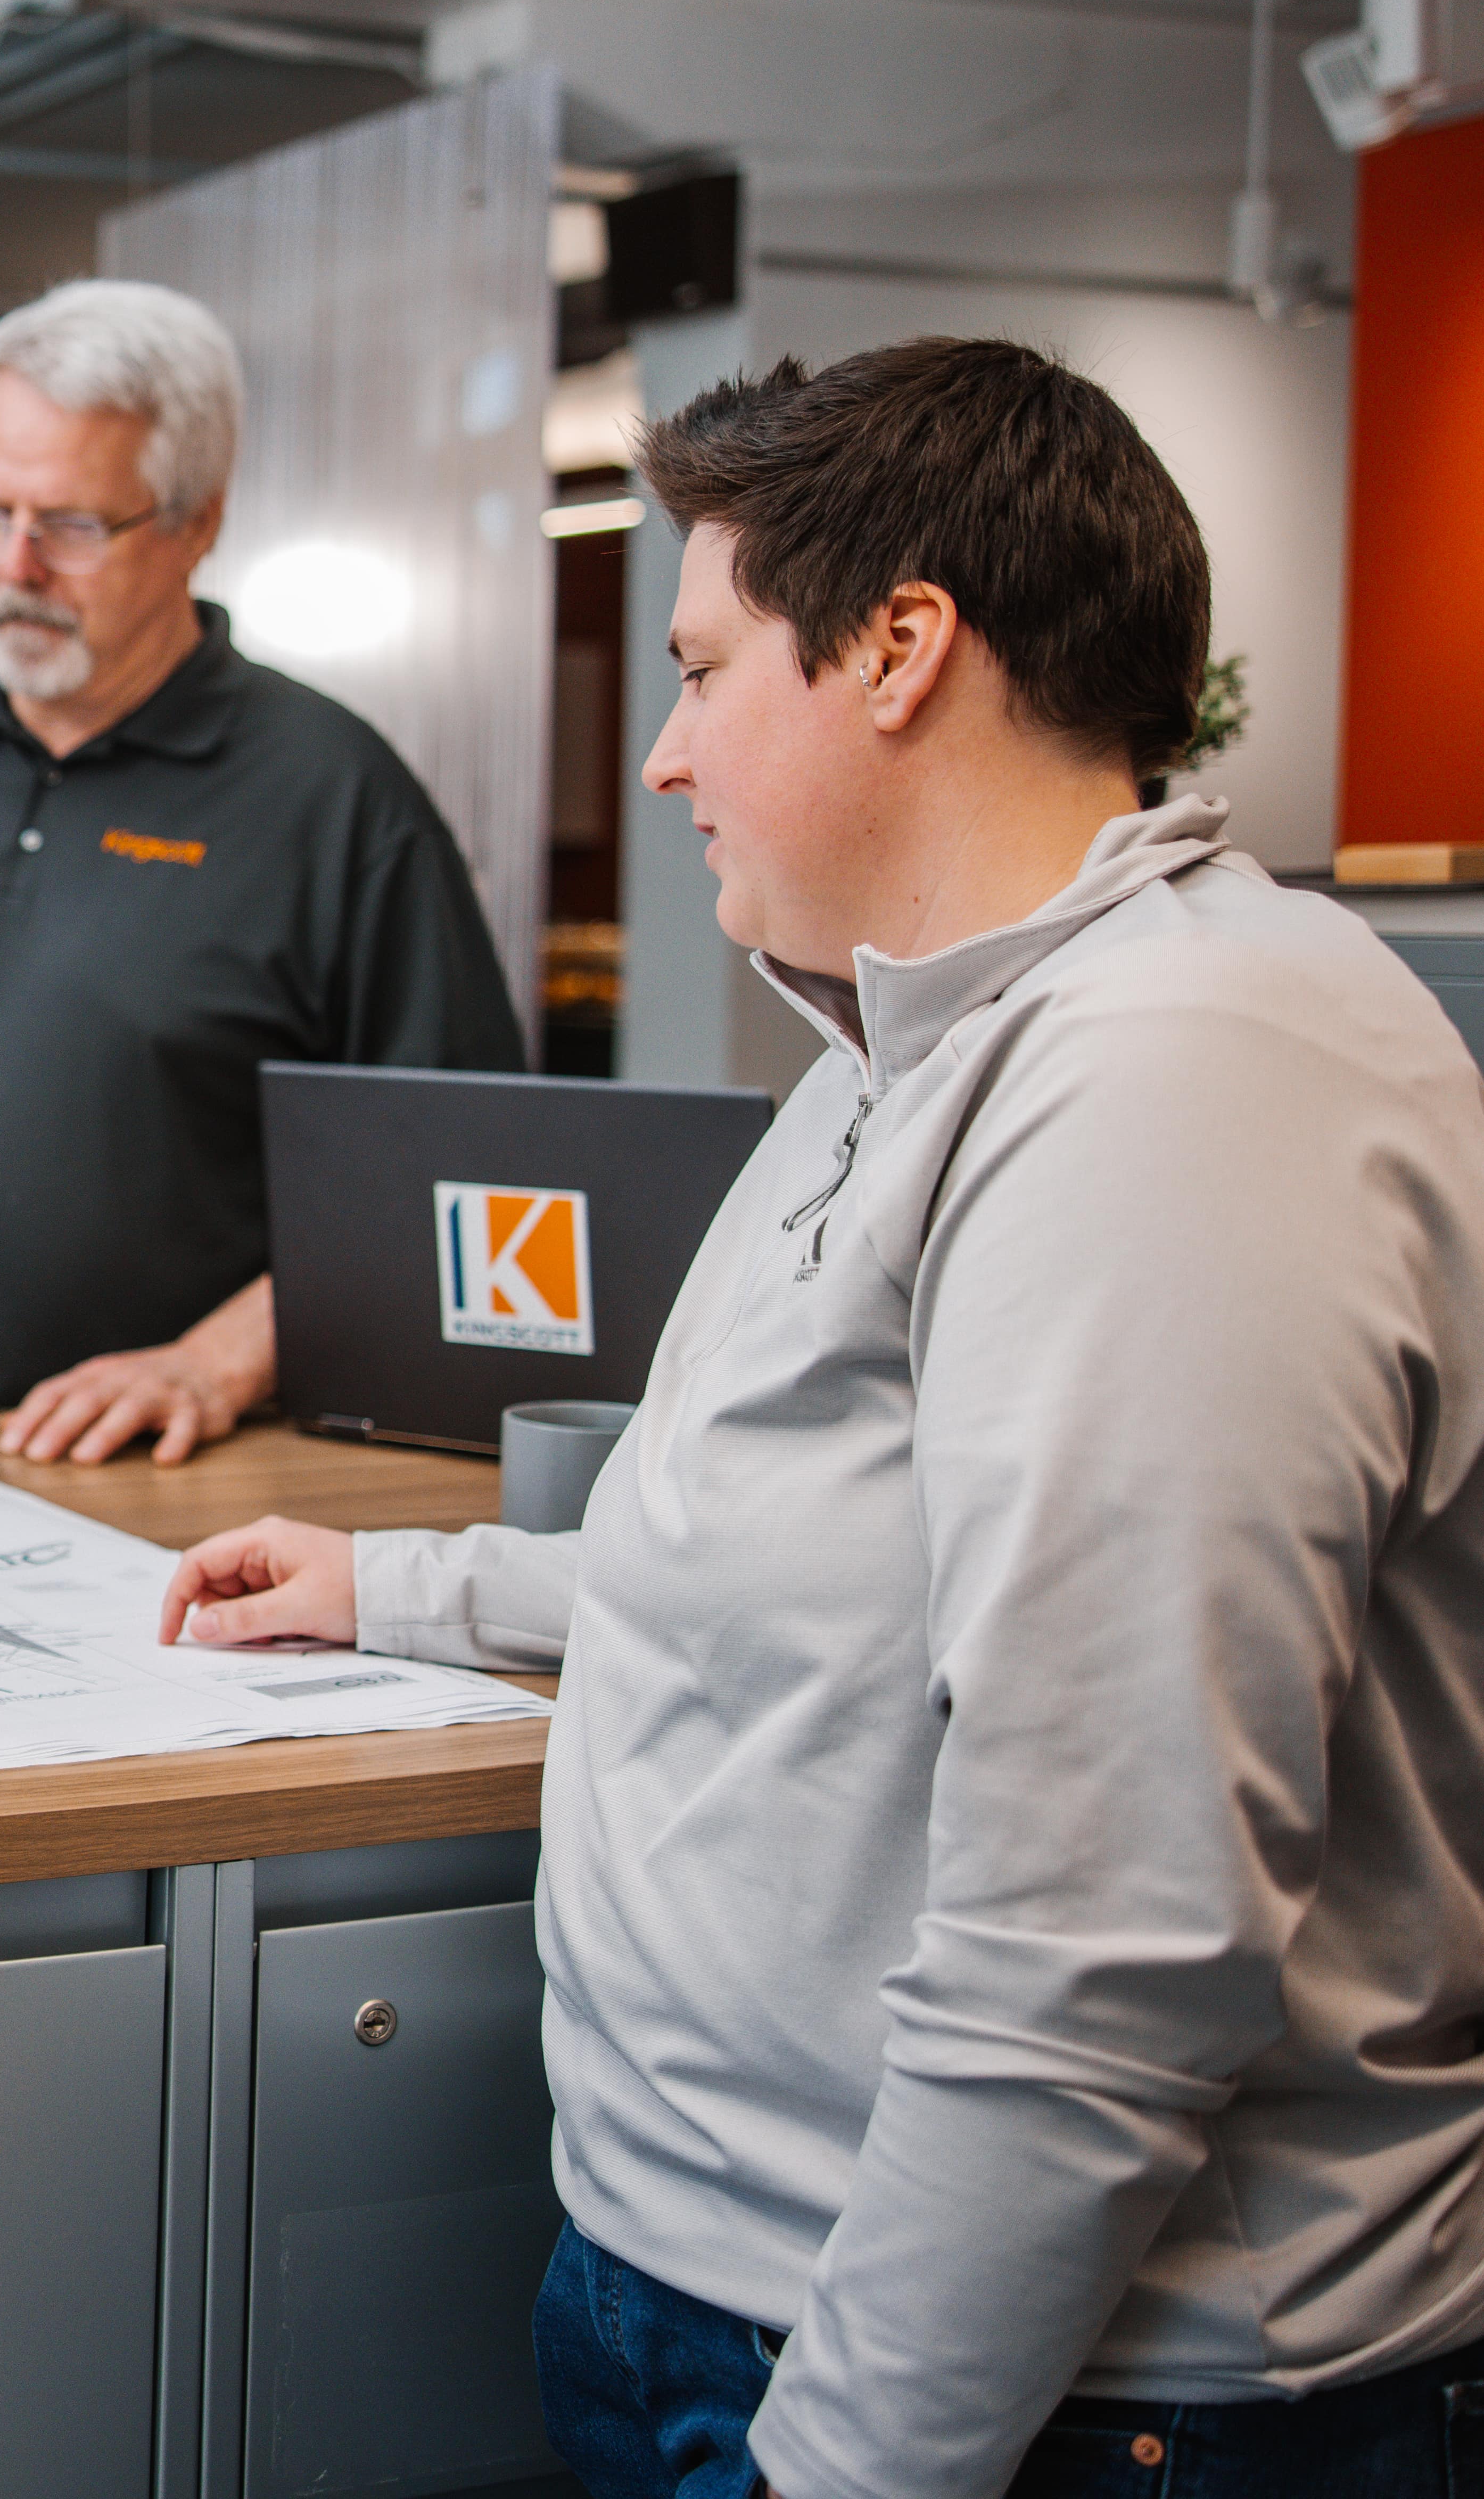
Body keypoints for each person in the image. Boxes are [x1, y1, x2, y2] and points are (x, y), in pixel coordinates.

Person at [160, 341, 1484, 2497]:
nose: (663, 759)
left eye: (695, 669)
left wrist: (851, 2464)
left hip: (1050, 2394)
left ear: (895, 648)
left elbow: (1105, 1937)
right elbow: (832, 1579)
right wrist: (404, 1582)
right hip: (715, 2285)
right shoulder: (905, 1042)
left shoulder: (1180, 1076)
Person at [0, 276, 520, 1469]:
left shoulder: (337, 801)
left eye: (73, 526)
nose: (16, 565)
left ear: (196, 524)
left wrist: (215, 1362)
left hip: (150, 1491)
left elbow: (453, 1174)